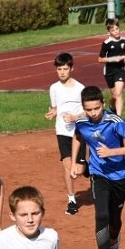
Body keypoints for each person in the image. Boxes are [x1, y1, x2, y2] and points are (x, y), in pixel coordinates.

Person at [71, 86, 125, 249]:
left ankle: (114, 241)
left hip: (120, 177)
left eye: (96, 108)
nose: (93, 113)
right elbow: (78, 137)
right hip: (98, 174)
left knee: (114, 220)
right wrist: (77, 161)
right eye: (88, 109)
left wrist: (112, 152)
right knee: (101, 215)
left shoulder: (115, 122)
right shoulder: (83, 122)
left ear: (102, 104)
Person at [45, 53, 86, 216]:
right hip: (62, 131)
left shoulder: (80, 88)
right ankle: (71, 200)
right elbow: (56, 107)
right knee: (68, 168)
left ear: (72, 68)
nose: (62, 72)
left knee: (79, 170)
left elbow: (87, 110)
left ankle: (86, 167)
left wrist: (75, 117)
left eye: (65, 69)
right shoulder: (53, 88)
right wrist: (52, 113)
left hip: (78, 133)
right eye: (59, 69)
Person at [97, 18, 125, 116]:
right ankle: (112, 107)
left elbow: (124, 53)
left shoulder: (124, 40)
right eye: (113, 30)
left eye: (117, 29)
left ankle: (118, 118)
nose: (116, 32)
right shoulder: (107, 43)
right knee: (114, 95)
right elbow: (100, 59)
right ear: (109, 32)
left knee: (119, 94)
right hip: (109, 71)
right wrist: (113, 59)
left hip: (120, 70)